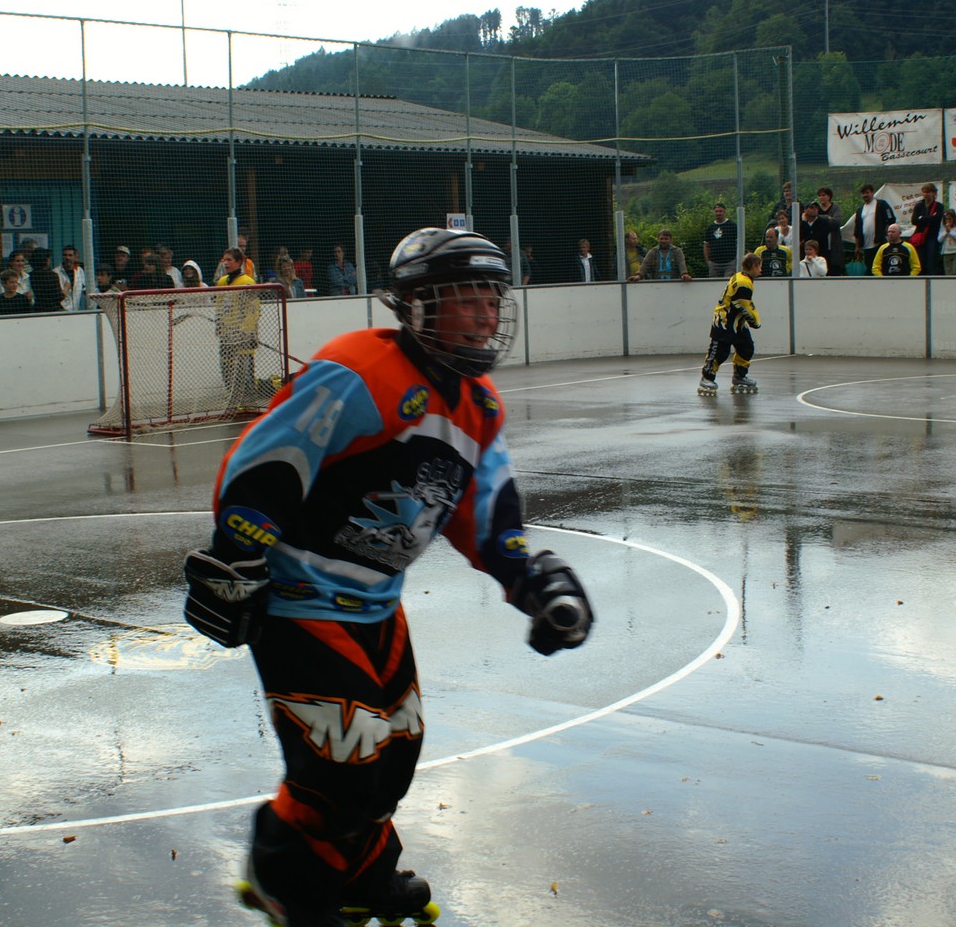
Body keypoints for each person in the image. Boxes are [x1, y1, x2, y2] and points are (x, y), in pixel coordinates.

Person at [184, 227, 592, 927]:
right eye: (468, 299)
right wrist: (237, 554)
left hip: (378, 605)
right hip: (299, 596)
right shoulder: (358, 371)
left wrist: (536, 581)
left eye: (492, 299)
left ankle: (360, 875)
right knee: (342, 758)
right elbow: (266, 461)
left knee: (395, 754)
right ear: (418, 305)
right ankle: (281, 875)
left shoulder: (479, 405)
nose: (487, 315)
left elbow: (487, 511)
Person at [697, 252, 762, 396]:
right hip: (725, 321)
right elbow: (743, 305)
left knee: (746, 347)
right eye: (759, 266)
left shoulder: (742, 276)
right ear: (753, 266)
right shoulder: (744, 283)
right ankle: (707, 377)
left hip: (737, 322)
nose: (761, 270)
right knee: (720, 350)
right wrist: (755, 322)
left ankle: (739, 376)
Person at [214, 248, 261, 407]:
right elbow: (219, 305)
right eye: (224, 260)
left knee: (243, 370)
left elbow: (253, 309)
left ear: (239, 262)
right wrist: (219, 324)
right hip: (227, 334)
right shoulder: (222, 282)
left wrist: (246, 330)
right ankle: (233, 400)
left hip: (243, 335)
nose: (226, 263)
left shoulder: (247, 282)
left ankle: (248, 402)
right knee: (226, 367)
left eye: (229, 260)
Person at [852, 183, 896, 263]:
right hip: (866, 246)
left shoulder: (882, 204)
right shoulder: (860, 210)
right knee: (870, 266)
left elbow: (891, 219)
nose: (865, 195)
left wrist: (887, 233)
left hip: (880, 243)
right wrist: (857, 247)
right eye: (863, 193)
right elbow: (857, 230)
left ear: (872, 192)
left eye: (867, 192)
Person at [910, 184, 944, 275]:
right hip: (920, 237)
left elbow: (937, 219)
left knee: (931, 263)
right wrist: (929, 218)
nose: (926, 194)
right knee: (920, 262)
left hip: (932, 237)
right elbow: (914, 220)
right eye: (924, 192)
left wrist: (922, 218)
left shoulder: (939, 206)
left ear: (934, 193)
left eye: (928, 192)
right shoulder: (919, 206)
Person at [798, 202, 839, 279]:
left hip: (821, 255)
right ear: (805, 210)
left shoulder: (823, 221)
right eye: (811, 208)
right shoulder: (803, 224)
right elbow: (800, 236)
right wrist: (804, 222)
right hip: (807, 257)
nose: (814, 210)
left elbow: (819, 236)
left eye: (816, 208)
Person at [703, 203, 738, 277]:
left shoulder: (732, 226)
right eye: (716, 211)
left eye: (720, 211)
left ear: (724, 212)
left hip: (730, 263)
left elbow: (738, 243)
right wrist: (708, 262)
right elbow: (706, 246)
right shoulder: (710, 228)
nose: (718, 213)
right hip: (714, 264)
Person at [30, 247, 66, 313]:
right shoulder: (52, 275)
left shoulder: (31, 275)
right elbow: (58, 297)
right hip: (53, 309)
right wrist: (66, 289)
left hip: (38, 309)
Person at [56, 246, 89, 310]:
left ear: (74, 257)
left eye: (70, 255)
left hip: (75, 310)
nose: (67, 258)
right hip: (61, 311)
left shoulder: (79, 271)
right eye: (65, 255)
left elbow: (85, 289)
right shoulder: (56, 272)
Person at [939, 209, 956, 274]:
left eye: (950, 219)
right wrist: (945, 232)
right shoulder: (943, 228)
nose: (948, 221)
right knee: (948, 271)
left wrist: (950, 231)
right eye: (946, 219)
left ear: (954, 219)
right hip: (946, 252)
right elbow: (939, 239)